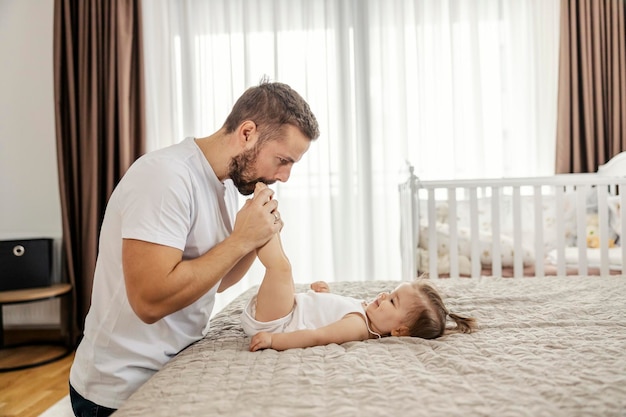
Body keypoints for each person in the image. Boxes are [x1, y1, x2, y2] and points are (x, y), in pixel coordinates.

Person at [69, 79, 320, 416]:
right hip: (120, 389)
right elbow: (149, 302)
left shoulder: (231, 185)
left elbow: (216, 280)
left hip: (174, 366)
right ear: (247, 133)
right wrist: (241, 239)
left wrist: (255, 237)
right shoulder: (165, 178)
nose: (285, 176)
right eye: (282, 160)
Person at [241, 214, 477, 352]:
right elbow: (331, 313)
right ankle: (265, 222)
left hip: (277, 323)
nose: (384, 296)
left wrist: (274, 340)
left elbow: (318, 336)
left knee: (281, 268)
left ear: (399, 331)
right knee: (282, 267)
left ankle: (261, 217)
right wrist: (325, 296)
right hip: (288, 309)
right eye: (390, 292)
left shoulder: (358, 326)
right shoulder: (364, 312)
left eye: (393, 301)